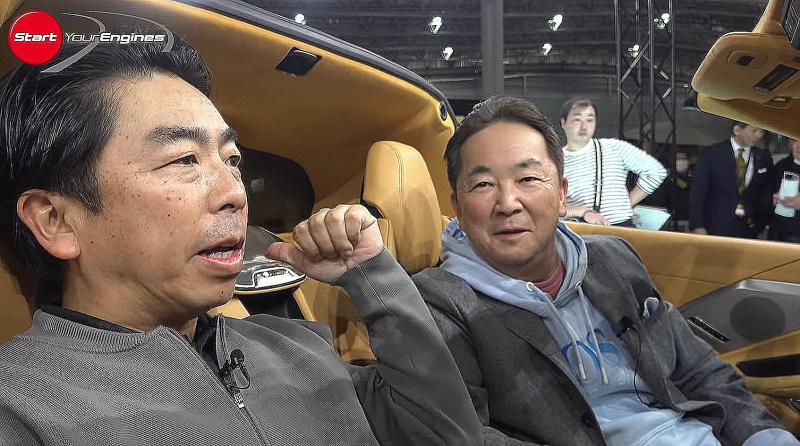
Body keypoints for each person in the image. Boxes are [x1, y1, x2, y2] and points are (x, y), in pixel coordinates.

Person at [0, 35, 481, 445]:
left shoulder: (298, 346)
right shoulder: (21, 404)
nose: (235, 193)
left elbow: (445, 436)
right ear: (56, 221)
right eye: (184, 160)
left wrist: (372, 277)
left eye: (231, 160)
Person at [413, 96, 798, 446]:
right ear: (458, 208)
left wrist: (765, 436)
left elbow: (697, 367)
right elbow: (468, 437)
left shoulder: (613, 257)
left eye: (528, 178)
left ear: (562, 195)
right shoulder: (443, 303)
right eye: (483, 184)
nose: (508, 202)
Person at [559, 98, 666, 226]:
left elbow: (656, 171)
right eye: (577, 119)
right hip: (578, 230)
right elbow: (549, 205)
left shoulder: (614, 148)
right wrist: (583, 211)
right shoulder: (554, 160)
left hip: (619, 227)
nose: (584, 126)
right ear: (563, 123)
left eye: (590, 120)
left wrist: (627, 203)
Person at [689, 121, 773, 238]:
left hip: (749, 228)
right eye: (754, 131)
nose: (759, 135)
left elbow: (765, 191)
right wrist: (697, 225)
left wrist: (760, 224)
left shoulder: (763, 157)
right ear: (737, 130)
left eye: (761, 131)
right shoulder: (711, 154)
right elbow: (698, 193)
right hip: (714, 227)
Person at [768, 138, 800, 243]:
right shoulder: (780, 166)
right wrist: (772, 199)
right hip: (778, 232)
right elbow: (766, 194)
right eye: (795, 140)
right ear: (789, 143)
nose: (799, 146)